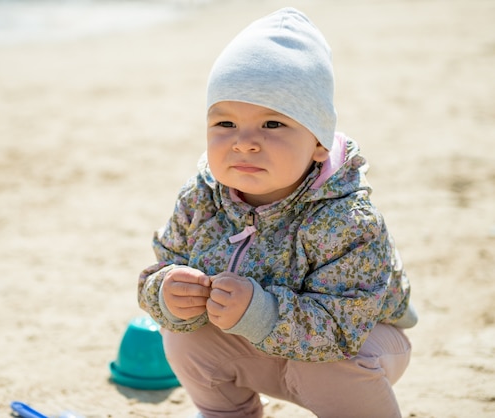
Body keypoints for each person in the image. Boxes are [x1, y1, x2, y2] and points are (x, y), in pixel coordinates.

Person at [137, 7, 418, 418]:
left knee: (328, 365)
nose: (245, 142)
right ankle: (226, 412)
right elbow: (161, 266)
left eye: (272, 124)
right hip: (255, 347)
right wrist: (166, 292)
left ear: (319, 143)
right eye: (226, 123)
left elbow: (341, 327)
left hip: (360, 346)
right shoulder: (201, 197)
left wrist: (261, 312)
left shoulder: (346, 219)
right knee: (185, 336)